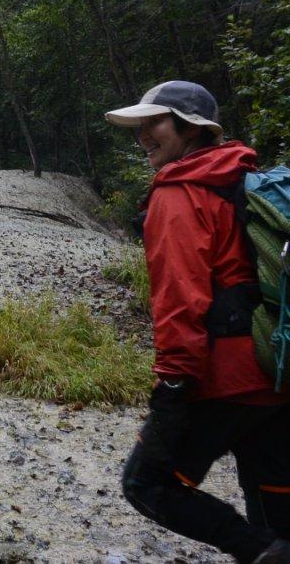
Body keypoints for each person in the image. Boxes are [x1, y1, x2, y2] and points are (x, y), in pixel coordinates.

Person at [106, 81, 290, 563]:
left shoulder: (179, 195)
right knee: (272, 501)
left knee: (147, 484)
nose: (143, 134)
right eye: (140, 124)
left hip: (224, 379)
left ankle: (258, 551)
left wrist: (172, 389)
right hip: (276, 374)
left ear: (190, 129)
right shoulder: (240, 177)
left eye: (154, 122)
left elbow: (180, 302)